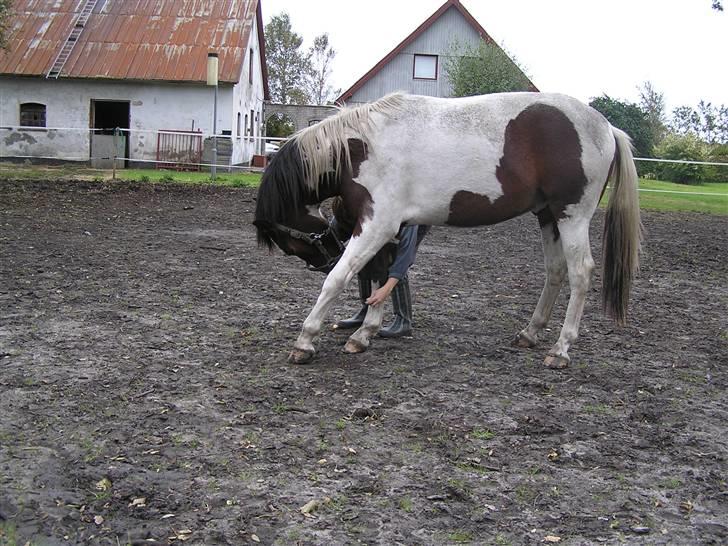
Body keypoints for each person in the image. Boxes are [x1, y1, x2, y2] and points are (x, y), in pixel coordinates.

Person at [337, 224, 430, 337]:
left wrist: (386, 289)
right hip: (382, 220)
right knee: (365, 256)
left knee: (394, 258)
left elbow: (405, 256)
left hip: (412, 224)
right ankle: (366, 310)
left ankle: (403, 320)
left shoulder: (408, 222)